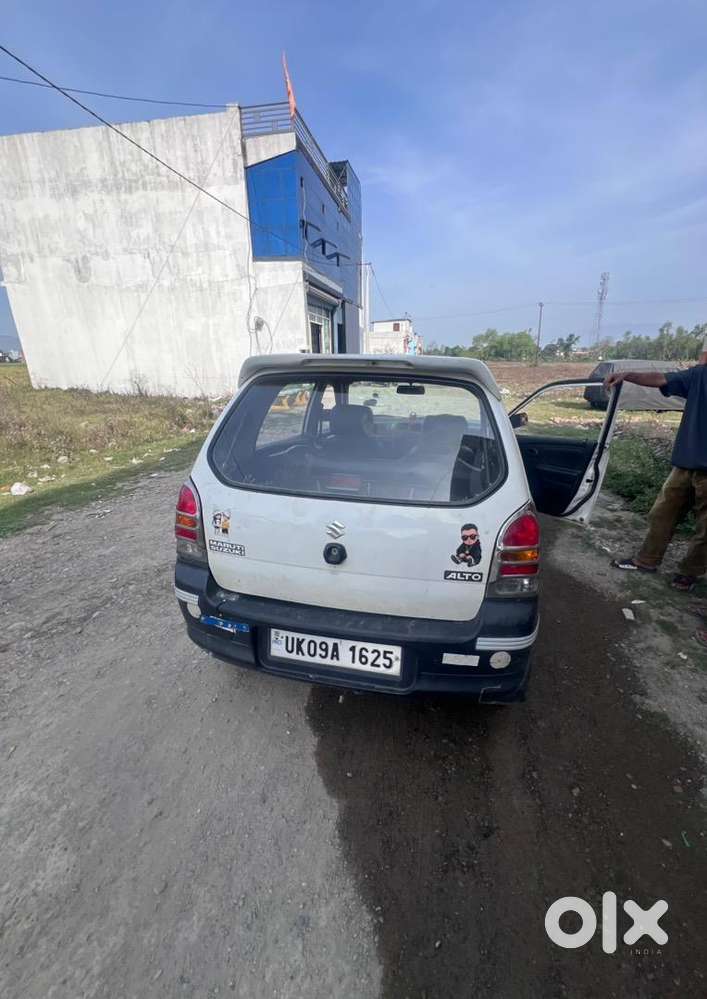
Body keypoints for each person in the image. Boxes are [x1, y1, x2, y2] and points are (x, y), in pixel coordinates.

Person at [607, 361, 707, 593]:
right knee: (661, 514)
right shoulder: (700, 375)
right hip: (685, 465)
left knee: (706, 530)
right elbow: (662, 379)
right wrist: (628, 375)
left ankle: (688, 573)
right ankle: (647, 561)